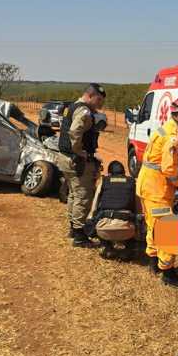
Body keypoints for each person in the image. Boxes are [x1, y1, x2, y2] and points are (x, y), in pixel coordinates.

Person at [137, 97, 178, 289]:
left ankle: (154, 262)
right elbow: (170, 170)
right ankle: (168, 272)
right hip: (157, 189)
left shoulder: (164, 128)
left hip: (147, 185)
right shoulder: (172, 136)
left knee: (153, 226)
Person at [57, 83, 106, 247]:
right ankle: (79, 235)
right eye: (99, 100)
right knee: (83, 196)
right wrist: (79, 151)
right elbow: (74, 131)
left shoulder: (73, 106)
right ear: (90, 96)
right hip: (75, 160)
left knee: (73, 194)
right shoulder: (83, 110)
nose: (100, 104)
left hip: (65, 158)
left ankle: (73, 228)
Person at [86, 160, 138, 260]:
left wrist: (90, 218)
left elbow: (95, 204)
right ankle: (128, 251)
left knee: (94, 218)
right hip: (127, 230)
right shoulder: (131, 182)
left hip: (103, 229)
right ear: (124, 173)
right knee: (138, 219)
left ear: (109, 173)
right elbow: (138, 208)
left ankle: (107, 248)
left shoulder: (104, 180)